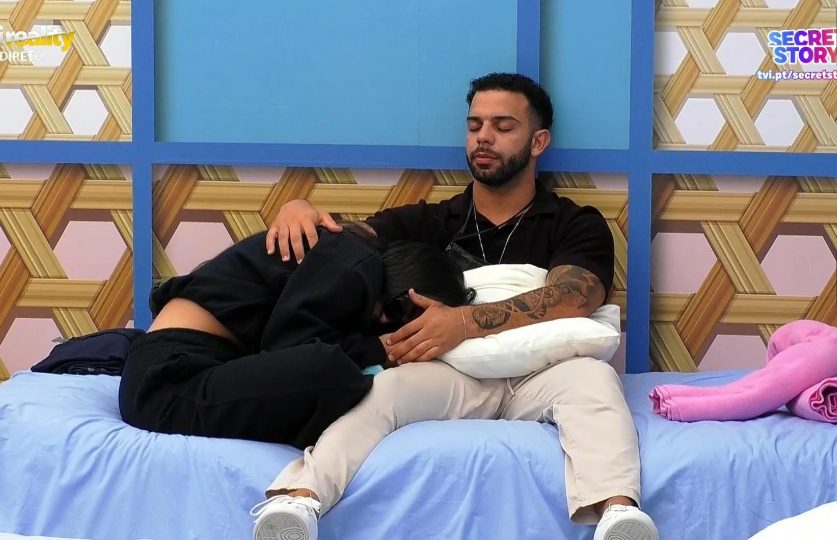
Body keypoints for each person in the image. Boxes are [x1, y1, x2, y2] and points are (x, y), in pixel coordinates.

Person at [252, 73, 659, 540]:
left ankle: (618, 514)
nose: (483, 137)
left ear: (538, 141)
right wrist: (301, 209)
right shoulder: (431, 220)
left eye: (503, 126)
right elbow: (349, 240)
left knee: (595, 380)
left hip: (542, 376)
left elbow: (575, 295)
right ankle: (299, 502)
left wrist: (465, 322)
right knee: (383, 392)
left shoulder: (573, 222)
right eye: (474, 125)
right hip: (451, 377)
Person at [118, 226, 473, 450]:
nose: (388, 323)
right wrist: (378, 349)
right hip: (169, 380)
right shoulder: (354, 262)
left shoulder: (343, 261)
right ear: (404, 281)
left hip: (186, 369)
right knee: (336, 374)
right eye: (401, 310)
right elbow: (289, 352)